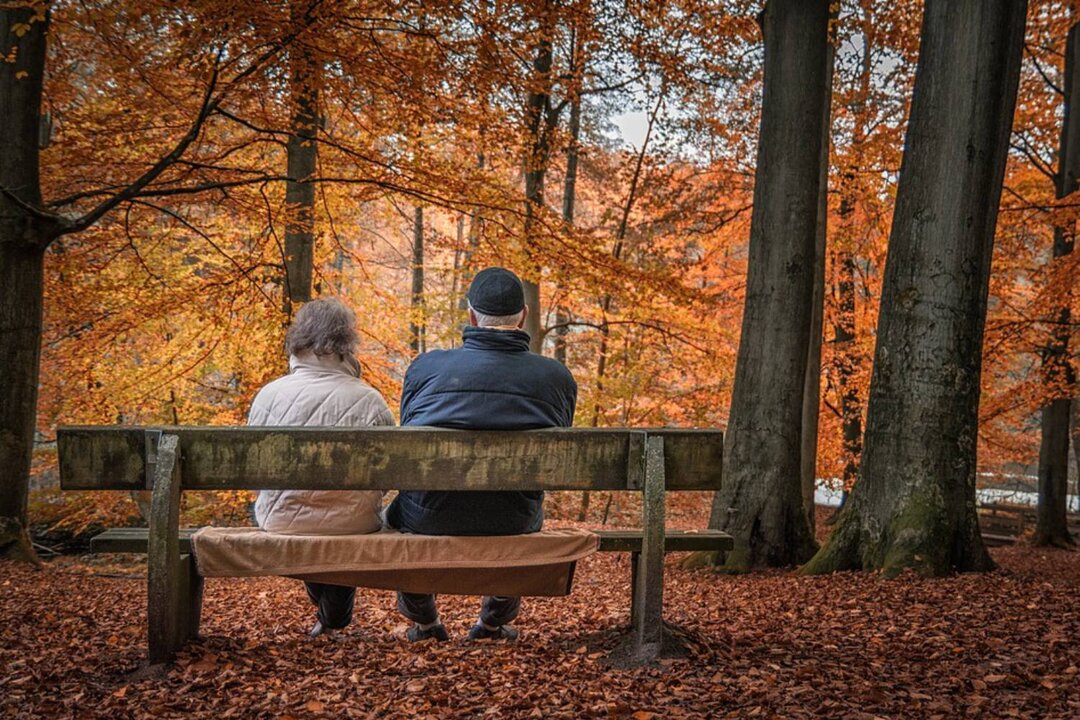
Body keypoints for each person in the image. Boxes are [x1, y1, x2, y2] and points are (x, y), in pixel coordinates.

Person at [385, 267, 577, 642]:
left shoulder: (425, 368)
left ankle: (425, 623)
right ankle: (491, 624)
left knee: (403, 509)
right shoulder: (555, 378)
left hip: (429, 516)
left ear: (471, 316)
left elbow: (410, 434)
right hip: (512, 518)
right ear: (522, 316)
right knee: (519, 507)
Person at [249, 297, 394, 638]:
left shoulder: (268, 396)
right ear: (347, 343)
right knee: (343, 521)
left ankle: (331, 621)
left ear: (299, 339)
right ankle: (334, 620)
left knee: (312, 523)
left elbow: (256, 473)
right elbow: (387, 476)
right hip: (355, 521)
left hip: (280, 519)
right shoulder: (369, 399)